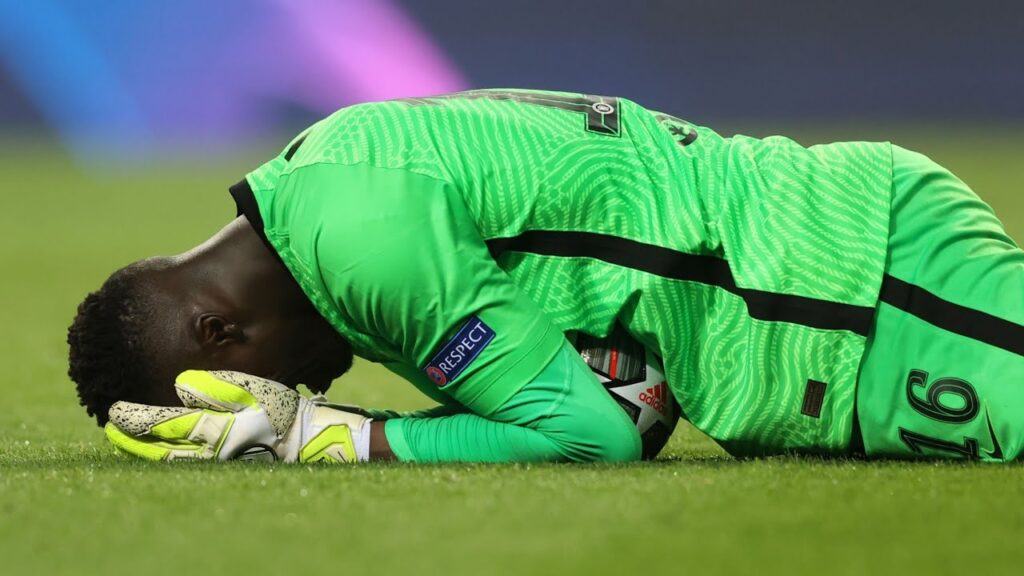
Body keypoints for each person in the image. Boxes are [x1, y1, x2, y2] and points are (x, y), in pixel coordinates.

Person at [68, 89, 1024, 463]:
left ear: (217, 335)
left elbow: (593, 435)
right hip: (831, 274)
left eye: (236, 392)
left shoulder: (362, 247)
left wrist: (329, 438)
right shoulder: (319, 173)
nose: (286, 393)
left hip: (841, 295)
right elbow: (611, 384)